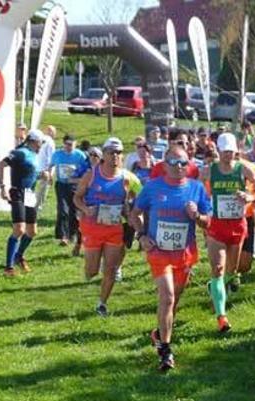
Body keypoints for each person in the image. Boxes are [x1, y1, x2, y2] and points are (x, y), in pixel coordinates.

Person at [130, 145, 212, 371]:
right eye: (174, 163)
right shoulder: (153, 187)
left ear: (189, 165)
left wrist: (196, 215)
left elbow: (208, 221)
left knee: (174, 299)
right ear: (164, 166)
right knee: (166, 297)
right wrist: (142, 235)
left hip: (184, 253)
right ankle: (165, 351)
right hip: (158, 252)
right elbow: (134, 214)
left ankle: (159, 332)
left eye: (183, 163)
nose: (179, 167)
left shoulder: (196, 189)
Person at [202, 133, 255, 332]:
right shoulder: (209, 170)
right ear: (218, 151)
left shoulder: (243, 168)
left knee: (231, 272)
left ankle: (216, 286)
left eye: (231, 152)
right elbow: (195, 189)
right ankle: (221, 317)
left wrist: (250, 196)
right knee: (218, 269)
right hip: (216, 227)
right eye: (224, 152)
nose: (228, 156)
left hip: (237, 226)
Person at [73, 138, 133, 317]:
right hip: (92, 227)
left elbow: (127, 205)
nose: (115, 156)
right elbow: (77, 198)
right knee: (91, 271)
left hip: (114, 228)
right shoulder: (91, 175)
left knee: (111, 269)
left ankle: (102, 304)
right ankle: (92, 264)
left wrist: (128, 211)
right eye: (111, 152)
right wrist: (85, 209)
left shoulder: (126, 178)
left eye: (118, 153)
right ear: (104, 155)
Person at [0, 130, 45, 276]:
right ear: (34, 141)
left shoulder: (35, 155)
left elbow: (31, 173)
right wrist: (2, 188)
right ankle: (8, 267)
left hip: (29, 194)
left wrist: (42, 175)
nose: (41, 146)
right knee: (19, 229)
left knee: (32, 231)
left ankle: (19, 255)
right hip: (18, 192)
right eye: (40, 142)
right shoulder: (20, 153)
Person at [50, 134, 90, 247]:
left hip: (75, 186)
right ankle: (63, 236)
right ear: (63, 144)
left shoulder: (80, 155)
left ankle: (73, 234)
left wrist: (80, 180)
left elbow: (86, 169)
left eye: (71, 144)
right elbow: (51, 165)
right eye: (67, 144)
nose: (69, 147)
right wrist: (49, 175)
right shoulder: (57, 154)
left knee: (74, 211)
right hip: (61, 184)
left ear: (75, 144)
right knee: (63, 209)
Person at [34, 125, 56, 210]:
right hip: (45, 169)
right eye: (54, 132)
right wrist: (50, 173)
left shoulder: (39, 139)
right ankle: (38, 206)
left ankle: (30, 205)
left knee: (33, 188)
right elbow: (51, 158)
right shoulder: (50, 141)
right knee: (42, 189)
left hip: (35, 167)